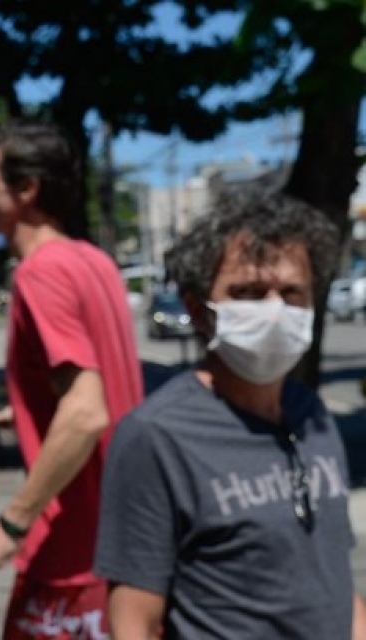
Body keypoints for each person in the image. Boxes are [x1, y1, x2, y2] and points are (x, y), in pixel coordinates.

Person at [94, 189, 366, 639]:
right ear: (199, 311)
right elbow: (133, 622)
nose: (275, 311)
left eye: (292, 293)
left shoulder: (310, 414)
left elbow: (332, 577)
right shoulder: (156, 437)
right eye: (249, 293)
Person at [0, 121, 144, 639]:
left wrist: (12, 524)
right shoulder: (95, 262)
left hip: (71, 547)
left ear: (27, 190)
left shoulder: (40, 273)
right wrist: (25, 409)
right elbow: (98, 378)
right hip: (123, 537)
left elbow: (86, 411)